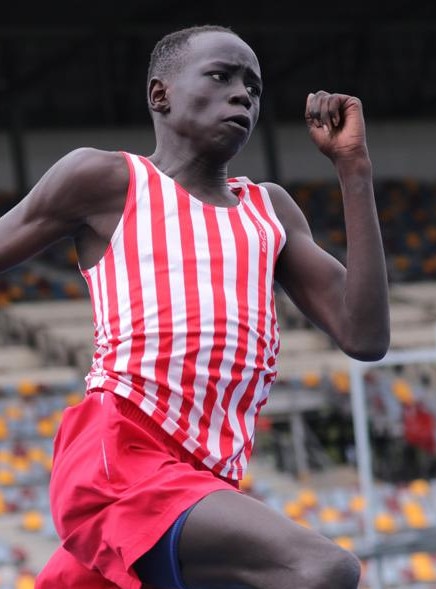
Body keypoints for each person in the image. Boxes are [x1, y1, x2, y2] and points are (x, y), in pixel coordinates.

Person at [0, 24, 390, 589]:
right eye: (221, 76)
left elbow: (365, 335)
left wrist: (354, 170)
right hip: (120, 456)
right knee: (322, 569)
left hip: (206, 481)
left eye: (254, 88)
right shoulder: (108, 180)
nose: (243, 95)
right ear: (161, 95)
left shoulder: (269, 210)